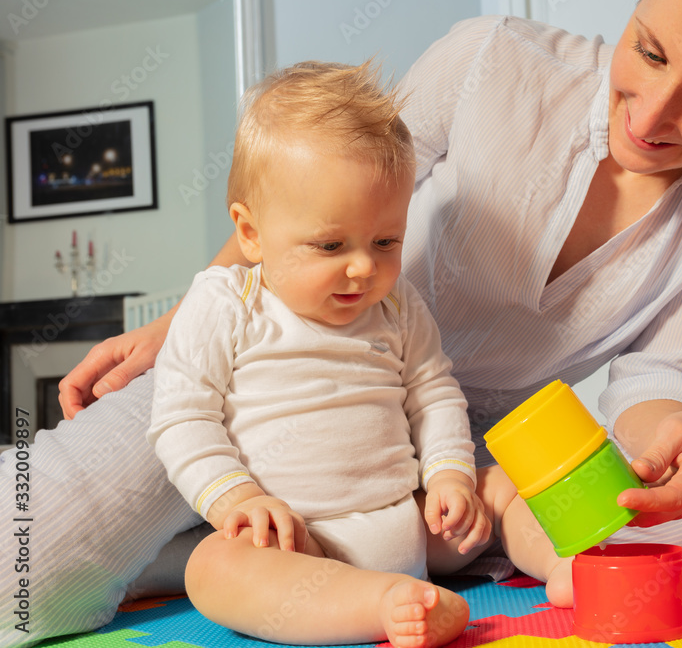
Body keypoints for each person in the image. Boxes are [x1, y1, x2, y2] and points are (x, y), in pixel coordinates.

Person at [1, 0, 682, 645]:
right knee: (19, 573)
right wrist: (178, 327)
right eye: (649, 49)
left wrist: (677, 431)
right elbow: (313, 195)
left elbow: (669, 372)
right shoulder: (493, 60)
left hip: (469, 443)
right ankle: (207, 539)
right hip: (277, 382)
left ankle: (312, 544)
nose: (651, 116)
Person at [147, 59, 493, 646]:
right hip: (297, 543)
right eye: (331, 244)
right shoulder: (228, 302)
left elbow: (434, 394)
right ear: (250, 234)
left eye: (386, 241)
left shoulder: (399, 306)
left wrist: (449, 478)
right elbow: (182, 418)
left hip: (414, 522)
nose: (364, 267)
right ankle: (384, 604)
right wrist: (239, 498)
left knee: (500, 488)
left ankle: (569, 568)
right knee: (211, 567)